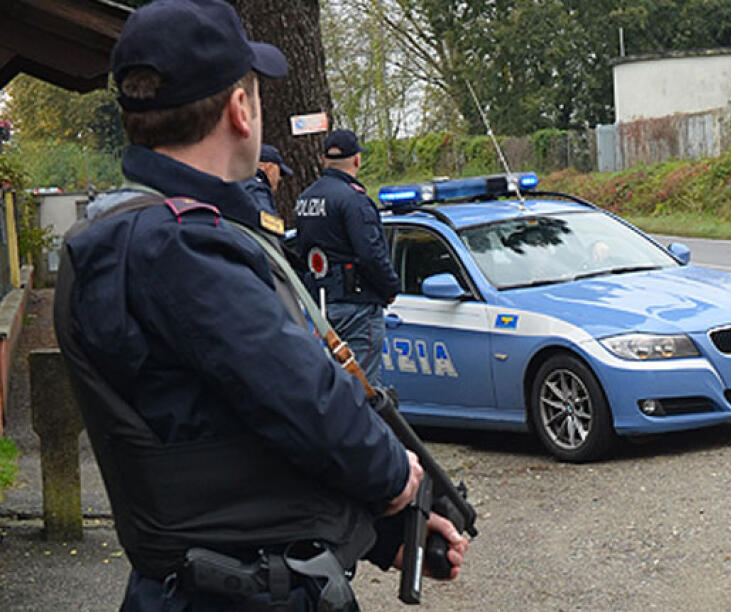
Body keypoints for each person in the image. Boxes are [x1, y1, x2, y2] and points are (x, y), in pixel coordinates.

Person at [52, 1, 465, 610]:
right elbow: (307, 401)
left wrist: (377, 534)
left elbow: (231, 433)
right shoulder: (184, 247)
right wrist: (394, 479)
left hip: (198, 577)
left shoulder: (118, 235)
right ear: (240, 110)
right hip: (249, 590)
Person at [295, 128, 402, 386]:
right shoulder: (354, 200)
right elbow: (371, 253)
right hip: (357, 305)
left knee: (329, 386)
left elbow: (301, 251)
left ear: (323, 160)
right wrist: (390, 288)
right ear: (357, 160)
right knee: (360, 389)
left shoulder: (305, 199)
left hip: (320, 307)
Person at [243, 143, 293, 214]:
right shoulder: (257, 189)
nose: (279, 178)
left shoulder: (236, 183)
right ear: (268, 167)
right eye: (279, 173)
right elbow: (266, 220)